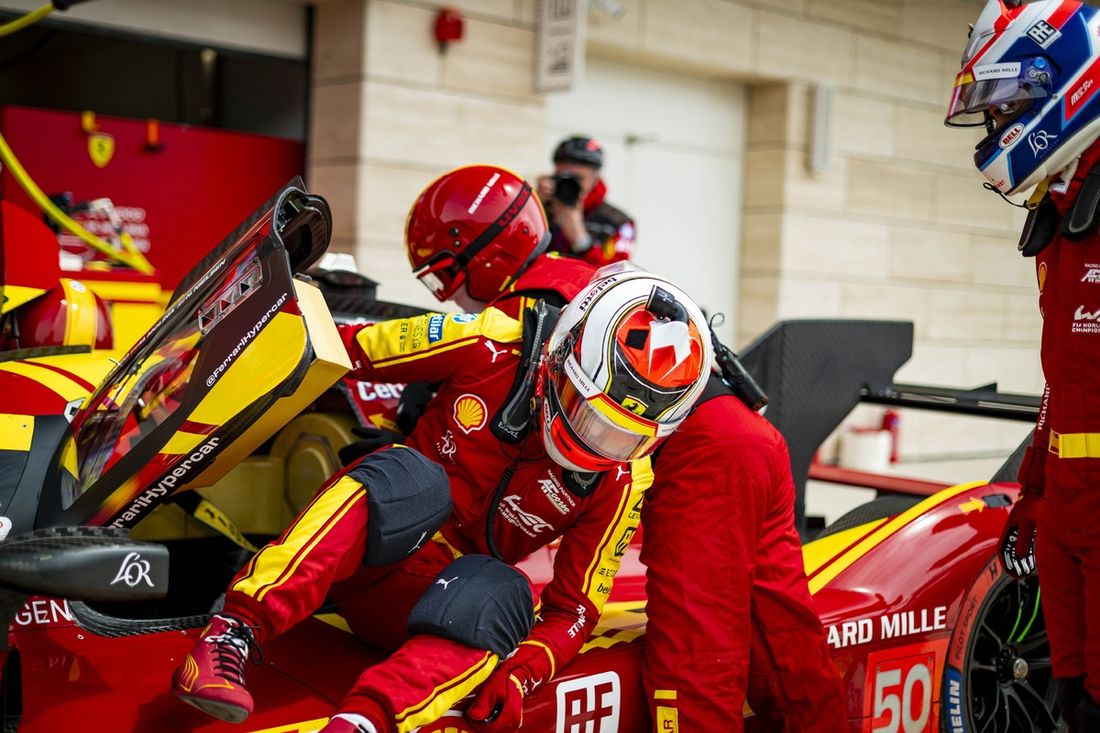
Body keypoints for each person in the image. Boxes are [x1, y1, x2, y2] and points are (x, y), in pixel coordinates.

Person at [170, 262, 714, 733]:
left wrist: (522, 672)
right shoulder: (492, 342)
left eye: (623, 435)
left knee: (508, 592)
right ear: (559, 357)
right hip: (364, 553)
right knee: (413, 477)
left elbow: (575, 609)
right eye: (589, 411)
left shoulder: (622, 479)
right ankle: (234, 632)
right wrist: (206, 359)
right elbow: (346, 348)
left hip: (440, 611)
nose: (597, 443)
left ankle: (363, 722)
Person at [406, 164, 848, 731]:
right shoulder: (584, 274)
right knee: (787, 648)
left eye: (443, 280)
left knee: (692, 667)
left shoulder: (519, 318)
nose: (452, 300)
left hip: (698, 456)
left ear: (484, 255)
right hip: (745, 435)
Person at [945, 1, 1100, 729]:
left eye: (1007, 107)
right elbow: (1061, 380)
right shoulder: (1063, 214)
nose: (997, 127)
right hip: (1070, 503)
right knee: (1072, 701)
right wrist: (1035, 488)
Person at [536, 136, 636, 266]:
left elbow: (617, 274)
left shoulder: (618, 223)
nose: (570, 184)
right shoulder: (539, 205)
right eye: (564, 177)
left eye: (578, 178)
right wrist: (534, 204)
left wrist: (581, 241)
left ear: (595, 177)